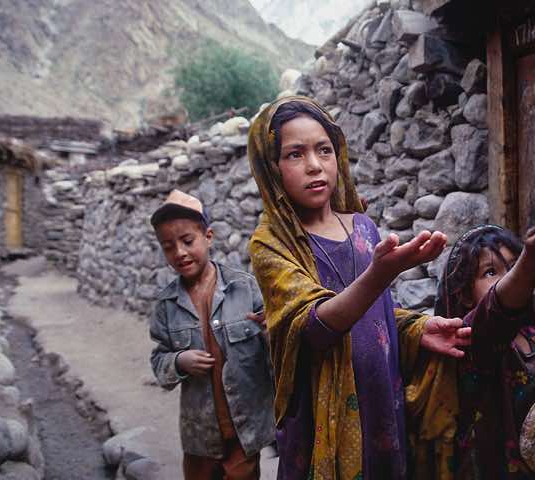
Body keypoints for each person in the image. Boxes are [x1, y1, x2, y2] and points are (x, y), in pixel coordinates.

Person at [247, 96, 471, 479]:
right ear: (270, 167)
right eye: (295, 155)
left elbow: (378, 314)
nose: (315, 165)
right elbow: (314, 327)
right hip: (320, 416)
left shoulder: (363, 227)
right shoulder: (272, 243)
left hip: (382, 398)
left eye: (324, 150)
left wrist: (416, 329)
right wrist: (379, 275)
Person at [429, 219, 535, 479]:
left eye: (513, 267)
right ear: (466, 295)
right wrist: (531, 259)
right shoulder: (469, 338)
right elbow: (496, 310)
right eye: (490, 272)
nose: (507, 277)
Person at [148, 190, 275, 479]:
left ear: (208, 236)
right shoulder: (167, 305)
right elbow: (159, 361)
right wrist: (179, 361)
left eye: (187, 241)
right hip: (199, 432)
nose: (179, 252)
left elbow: (276, 354)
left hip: (245, 427)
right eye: (168, 246)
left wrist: (272, 332)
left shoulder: (246, 288)